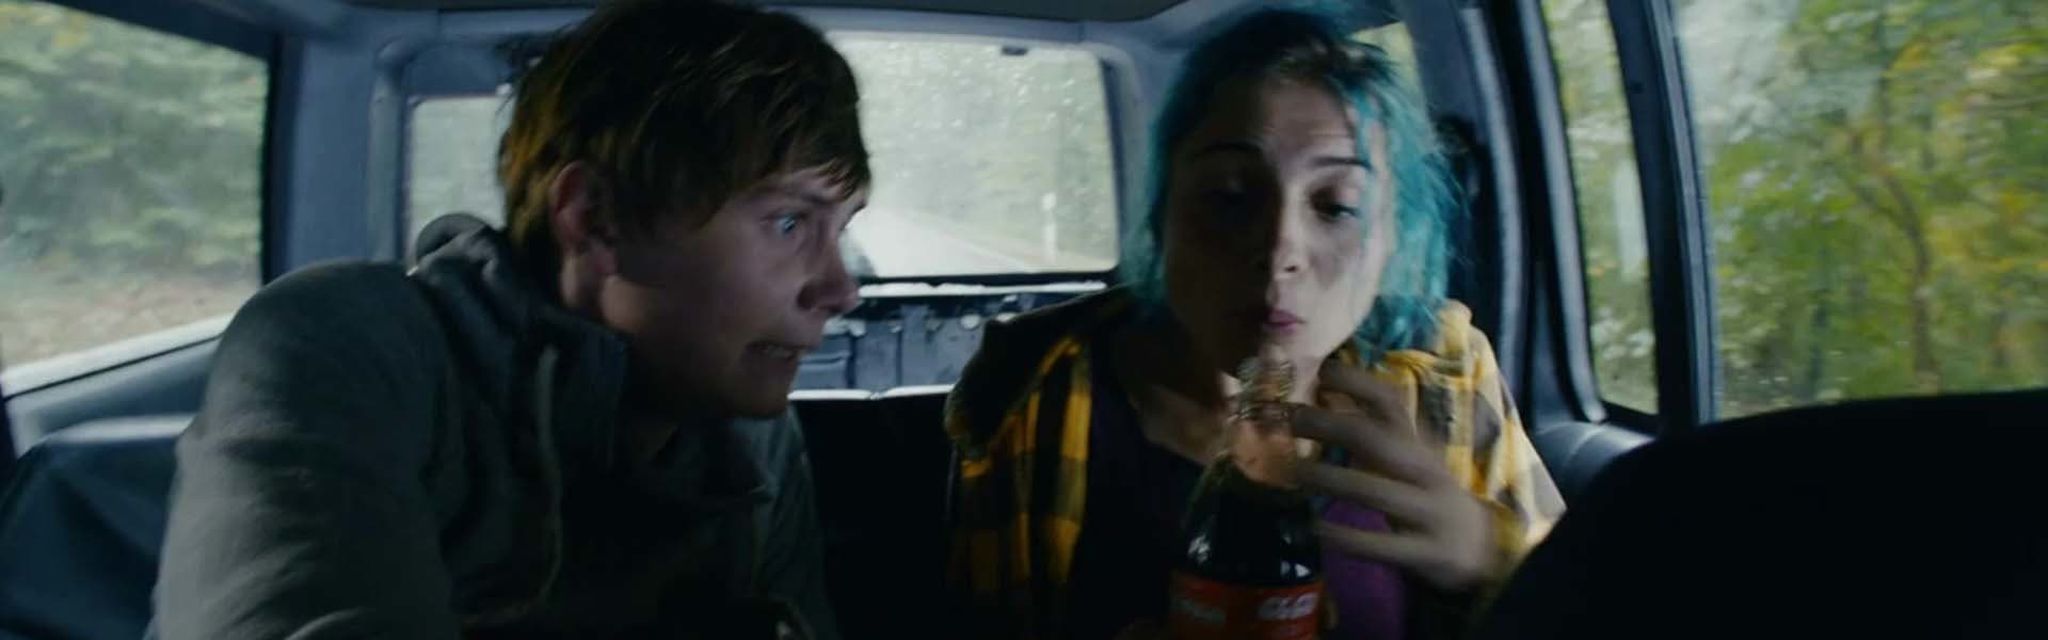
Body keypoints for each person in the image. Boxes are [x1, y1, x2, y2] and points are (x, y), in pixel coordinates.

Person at [153, 1, 866, 637]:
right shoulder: (351, 348)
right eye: (788, 222)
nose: (840, 290)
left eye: (842, 228)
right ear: (596, 219)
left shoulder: (749, 433)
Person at [942, 9, 1563, 639]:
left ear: (1390, 241)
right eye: (1229, 196)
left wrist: (1488, 557)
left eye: (1336, 206)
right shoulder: (1032, 389)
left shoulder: (1445, 372)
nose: (1278, 248)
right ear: (1161, 218)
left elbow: (1585, 599)